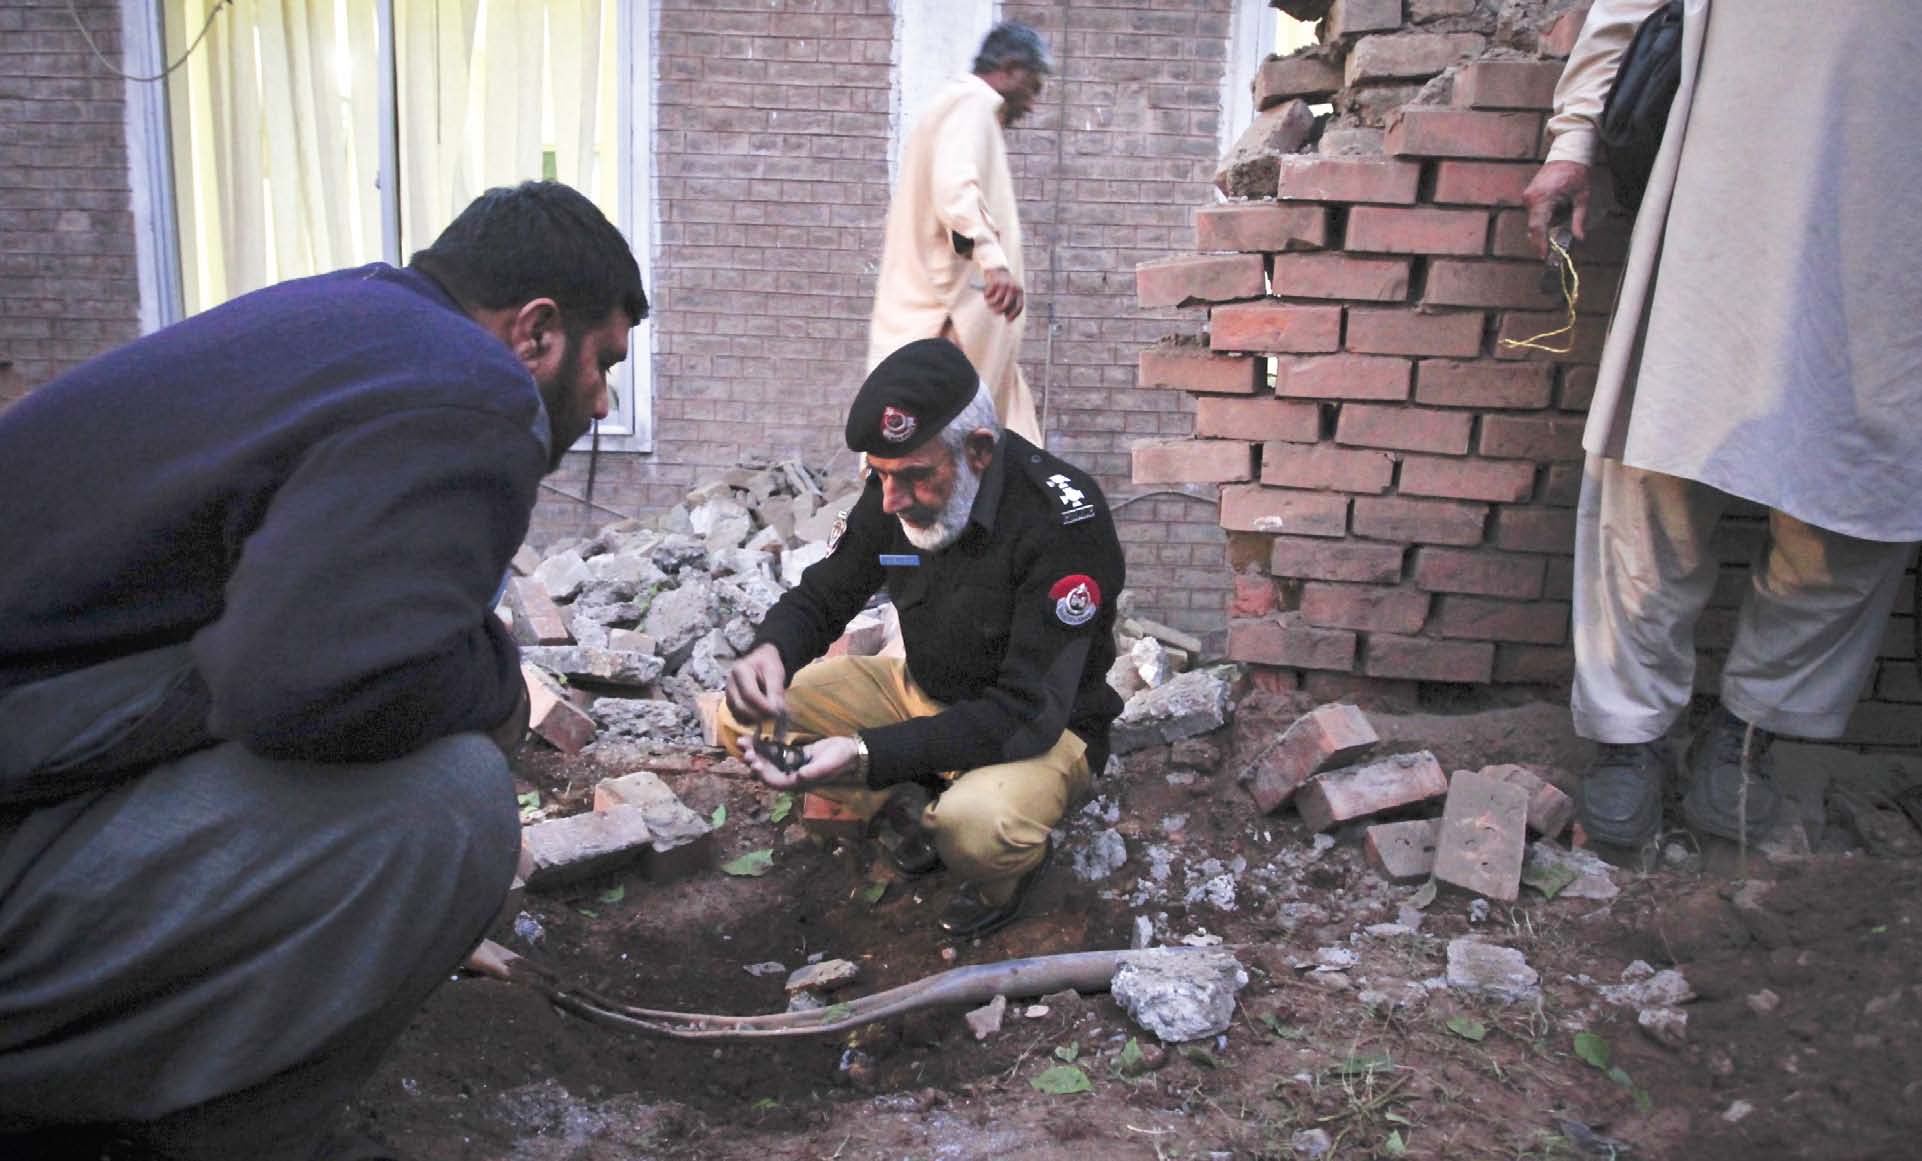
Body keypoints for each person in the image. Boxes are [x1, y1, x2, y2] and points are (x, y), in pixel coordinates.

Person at [0, 181, 647, 1159]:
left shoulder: (342, 326)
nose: (600, 402)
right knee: (446, 802)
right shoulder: (472, 384)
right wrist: (503, 693)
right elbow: (305, 686)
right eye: (603, 364)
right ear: (536, 331)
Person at [1523, 2, 1922, 848]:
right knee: (1658, 457)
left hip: (1898, 200)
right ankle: (1628, 735)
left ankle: (1756, 736)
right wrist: (1574, 139)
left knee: (1854, 498)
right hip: (1727, 169)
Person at [722, 338, 1124, 938]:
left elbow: (1027, 714)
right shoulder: (897, 485)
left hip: (1040, 730)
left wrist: (866, 754)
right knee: (745, 718)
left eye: (915, 477)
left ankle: (1005, 873)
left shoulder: (1061, 522)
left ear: (979, 451)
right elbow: (825, 592)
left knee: (978, 830)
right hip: (920, 690)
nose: (892, 500)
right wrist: (769, 652)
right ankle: (917, 795)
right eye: (880, 476)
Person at [867, 20, 1051, 445]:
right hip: (946, 331)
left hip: (966, 337)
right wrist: (994, 262)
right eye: (1034, 85)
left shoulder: (962, 109)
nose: (1034, 102)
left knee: (1009, 457)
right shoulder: (973, 104)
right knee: (935, 460)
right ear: (1009, 69)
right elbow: (955, 189)